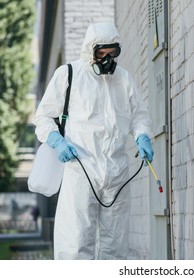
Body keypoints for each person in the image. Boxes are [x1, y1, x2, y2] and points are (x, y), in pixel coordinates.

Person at [33, 22, 154, 259]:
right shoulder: (69, 74)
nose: (107, 59)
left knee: (116, 244)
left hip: (117, 171)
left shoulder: (124, 79)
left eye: (112, 53)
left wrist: (142, 136)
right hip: (80, 169)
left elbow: (139, 114)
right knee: (76, 242)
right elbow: (43, 116)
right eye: (101, 53)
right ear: (90, 50)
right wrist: (57, 140)